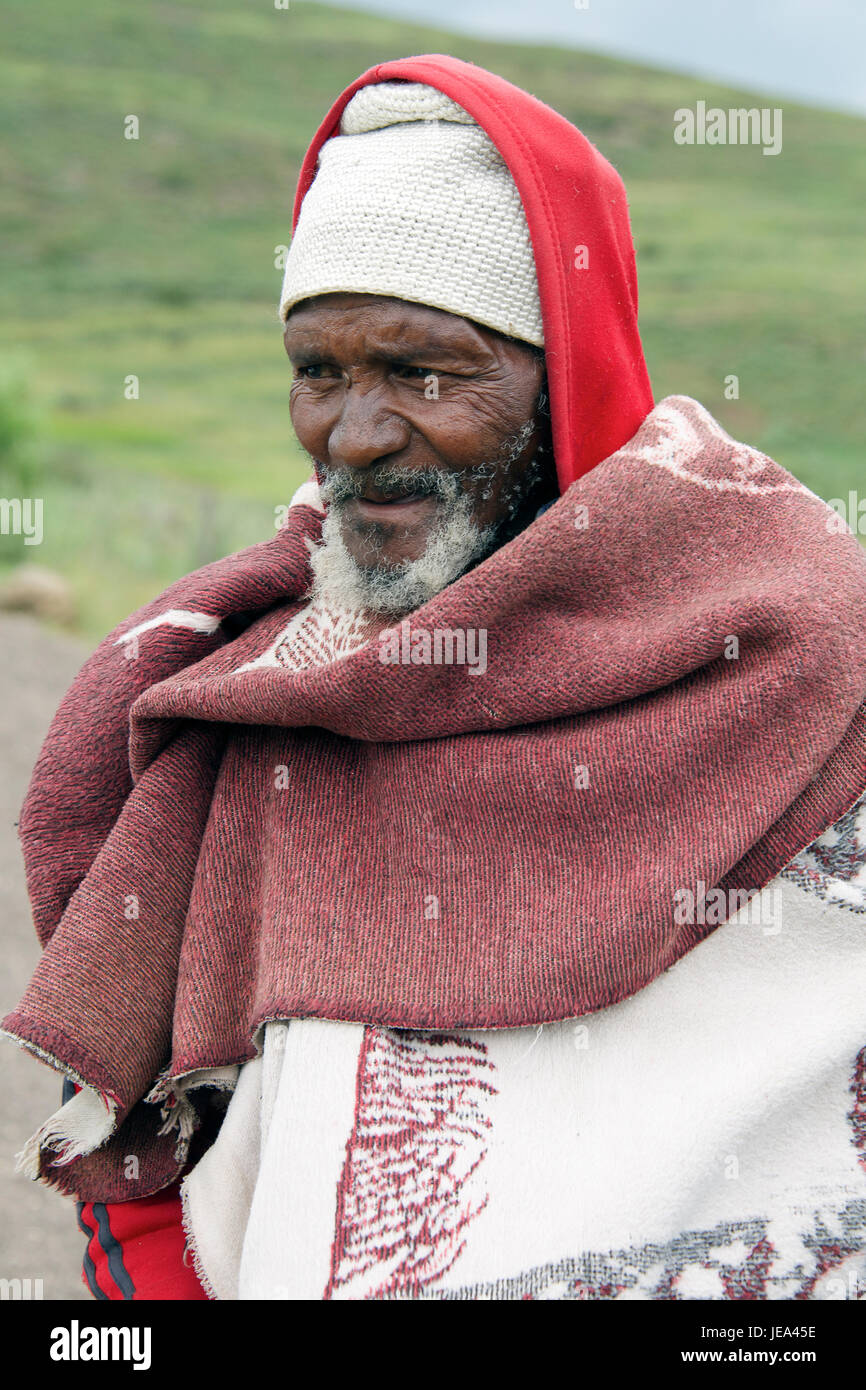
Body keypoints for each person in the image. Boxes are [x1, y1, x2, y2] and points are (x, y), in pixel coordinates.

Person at [4, 54, 866, 1302]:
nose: (352, 439)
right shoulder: (259, 698)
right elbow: (149, 1164)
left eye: (422, 373)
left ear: (563, 371)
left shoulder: (806, 649)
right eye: (318, 370)